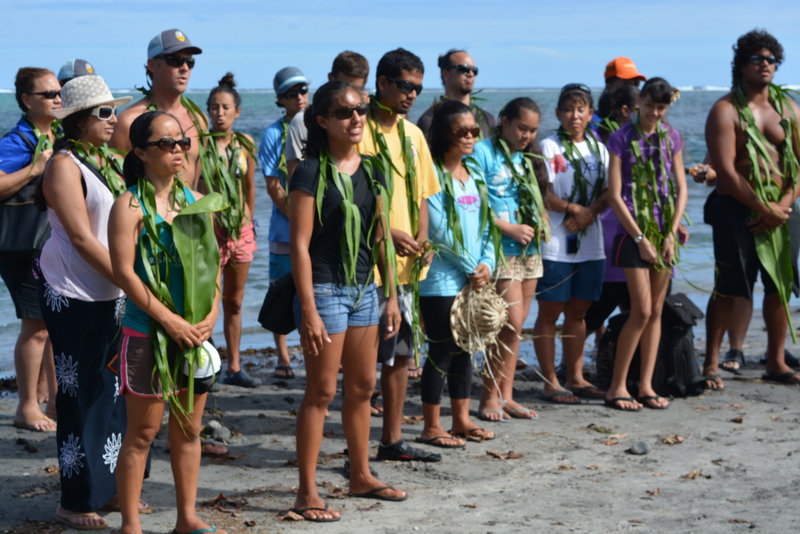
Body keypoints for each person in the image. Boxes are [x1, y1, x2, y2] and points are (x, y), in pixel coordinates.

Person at [289, 80, 407, 521]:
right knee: (320, 391)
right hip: (324, 289)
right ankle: (306, 491)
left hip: (364, 291)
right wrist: (309, 310)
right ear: (323, 121)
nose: (356, 118)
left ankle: (361, 475)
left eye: (360, 110)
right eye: (344, 112)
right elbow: (300, 246)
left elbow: (380, 239)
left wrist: (391, 295)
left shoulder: (374, 170)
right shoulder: (308, 171)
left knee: (362, 389)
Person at [109, 111, 224, 534]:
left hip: (193, 335)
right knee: (142, 433)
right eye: (166, 144)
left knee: (189, 430)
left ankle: (187, 517)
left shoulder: (197, 202)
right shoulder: (129, 206)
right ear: (140, 152)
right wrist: (169, 320)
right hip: (147, 331)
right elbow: (125, 273)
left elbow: (212, 268)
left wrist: (211, 314)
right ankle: (131, 526)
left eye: (182, 143)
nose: (177, 150)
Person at [36, 75, 135, 529]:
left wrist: (126, 280)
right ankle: (74, 501)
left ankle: (108, 489)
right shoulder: (63, 165)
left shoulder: (102, 161)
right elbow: (79, 236)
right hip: (73, 292)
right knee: (77, 396)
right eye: (103, 112)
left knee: (110, 391)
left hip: (108, 292)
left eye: (113, 110)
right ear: (77, 121)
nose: (113, 119)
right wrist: (130, 281)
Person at [355, 48, 443, 463]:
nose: (411, 95)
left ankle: (391, 440)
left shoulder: (413, 134)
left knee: (402, 354)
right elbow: (351, 196)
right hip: (362, 263)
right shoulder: (361, 127)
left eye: (418, 89)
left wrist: (422, 237)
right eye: (405, 86)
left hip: (405, 266)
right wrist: (387, 232)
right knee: (360, 361)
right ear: (383, 83)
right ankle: (354, 446)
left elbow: (423, 195)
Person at [703, 29, 800, 389]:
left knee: (780, 285)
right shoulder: (725, 110)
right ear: (741, 66)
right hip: (735, 208)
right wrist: (762, 206)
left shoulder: (788, 108)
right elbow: (725, 172)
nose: (765, 65)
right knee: (730, 286)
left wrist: (782, 206)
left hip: (783, 210)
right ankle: (711, 361)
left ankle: (776, 360)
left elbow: (798, 165)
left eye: (771, 59)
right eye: (757, 58)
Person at [417, 99, 497, 446]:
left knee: (467, 349)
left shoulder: (475, 174)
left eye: (474, 131)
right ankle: (431, 425)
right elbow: (439, 231)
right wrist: (470, 267)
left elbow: (487, 227)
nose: (469, 137)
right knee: (442, 350)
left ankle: (462, 419)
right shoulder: (432, 174)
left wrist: (487, 265)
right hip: (440, 281)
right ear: (443, 134)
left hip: (472, 278)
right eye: (461, 131)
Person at [606, 77, 688, 411]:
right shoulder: (620, 137)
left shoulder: (672, 137)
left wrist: (670, 232)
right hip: (631, 232)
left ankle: (646, 385)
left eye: (661, 107)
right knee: (639, 311)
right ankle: (616, 386)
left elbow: (680, 187)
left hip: (663, 231)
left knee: (655, 311)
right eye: (650, 105)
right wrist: (639, 237)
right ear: (638, 100)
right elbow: (614, 194)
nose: (655, 113)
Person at [470, 97, 548, 421]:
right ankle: (489, 397)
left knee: (517, 328)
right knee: (508, 323)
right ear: (504, 121)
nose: (527, 135)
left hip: (529, 250)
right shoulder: (483, 151)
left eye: (532, 130)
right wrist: (509, 228)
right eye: (521, 128)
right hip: (500, 247)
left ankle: (507, 394)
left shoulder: (524, 157)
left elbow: (532, 194)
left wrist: (539, 223)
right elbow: (474, 200)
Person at [534, 84, 609, 404]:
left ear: (591, 114)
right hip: (556, 242)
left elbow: (611, 190)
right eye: (568, 109)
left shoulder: (600, 148)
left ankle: (575, 376)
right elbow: (541, 191)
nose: (574, 116)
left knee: (579, 312)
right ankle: (550, 380)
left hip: (591, 242)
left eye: (581, 110)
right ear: (558, 113)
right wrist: (572, 209)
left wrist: (589, 212)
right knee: (550, 312)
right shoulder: (548, 147)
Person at [0, 67, 60, 432]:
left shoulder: (56, 133)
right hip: (22, 248)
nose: (57, 99)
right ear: (26, 100)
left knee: (51, 324)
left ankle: (54, 401)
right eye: (49, 94)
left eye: (59, 93)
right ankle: (26, 407)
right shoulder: (16, 142)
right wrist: (34, 169)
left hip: (48, 245)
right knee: (36, 326)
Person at [205, 73, 258, 387]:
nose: (219, 113)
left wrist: (246, 220)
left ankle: (235, 366)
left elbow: (249, 187)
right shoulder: (199, 144)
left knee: (234, 302)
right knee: (208, 301)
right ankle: (208, 363)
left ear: (237, 111)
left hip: (240, 232)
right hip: (210, 233)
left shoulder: (244, 144)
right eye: (214, 107)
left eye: (225, 107)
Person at [258, 66, 309, 382]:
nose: (300, 97)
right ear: (280, 99)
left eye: (303, 90)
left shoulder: (317, 126)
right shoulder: (273, 134)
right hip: (284, 229)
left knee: (312, 292)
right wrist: (300, 217)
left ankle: (312, 348)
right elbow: (274, 185)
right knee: (281, 290)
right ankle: (283, 355)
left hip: (314, 229)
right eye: (292, 93)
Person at [111, 29, 205, 188]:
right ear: (153, 65)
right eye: (175, 61)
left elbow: (198, 180)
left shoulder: (198, 119)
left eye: (190, 62)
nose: (184, 68)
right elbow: (118, 183)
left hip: (190, 211)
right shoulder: (129, 121)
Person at [285, 51, 370, 180]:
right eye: (342, 85)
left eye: (357, 88)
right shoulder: (302, 121)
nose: (350, 93)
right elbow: (295, 180)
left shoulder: (364, 117)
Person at [417, 49, 496, 139]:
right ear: (446, 74)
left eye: (474, 71)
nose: (470, 74)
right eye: (464, 69)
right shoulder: (430, 120)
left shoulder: (488, 120)